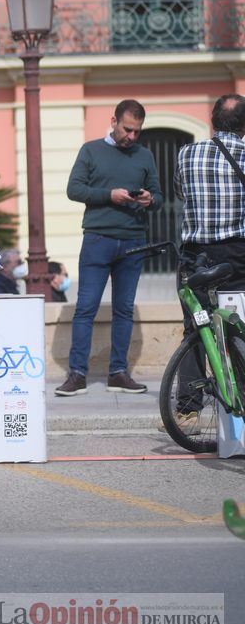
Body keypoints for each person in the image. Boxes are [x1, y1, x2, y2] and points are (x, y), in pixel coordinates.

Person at [57, 99, 162, 397]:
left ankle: (118, 372)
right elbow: (73, 189)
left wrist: (149, 200)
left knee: (124, 309)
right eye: (127, 129)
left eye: (137, 132)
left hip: (134, 242)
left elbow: (159, 196)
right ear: (113, 120)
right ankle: (77, 374)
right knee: (85, 308)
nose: (132, 136)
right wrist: (109, 195)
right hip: (98, 240)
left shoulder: (145, 155)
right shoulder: (90, 150)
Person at [171, 94, 245, 427]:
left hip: (194, 256)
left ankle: (187, 407)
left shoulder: (186, 153)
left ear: (213, 121)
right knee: (237, 323)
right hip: (235, 254)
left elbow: (180, 192)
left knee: (196, 325)